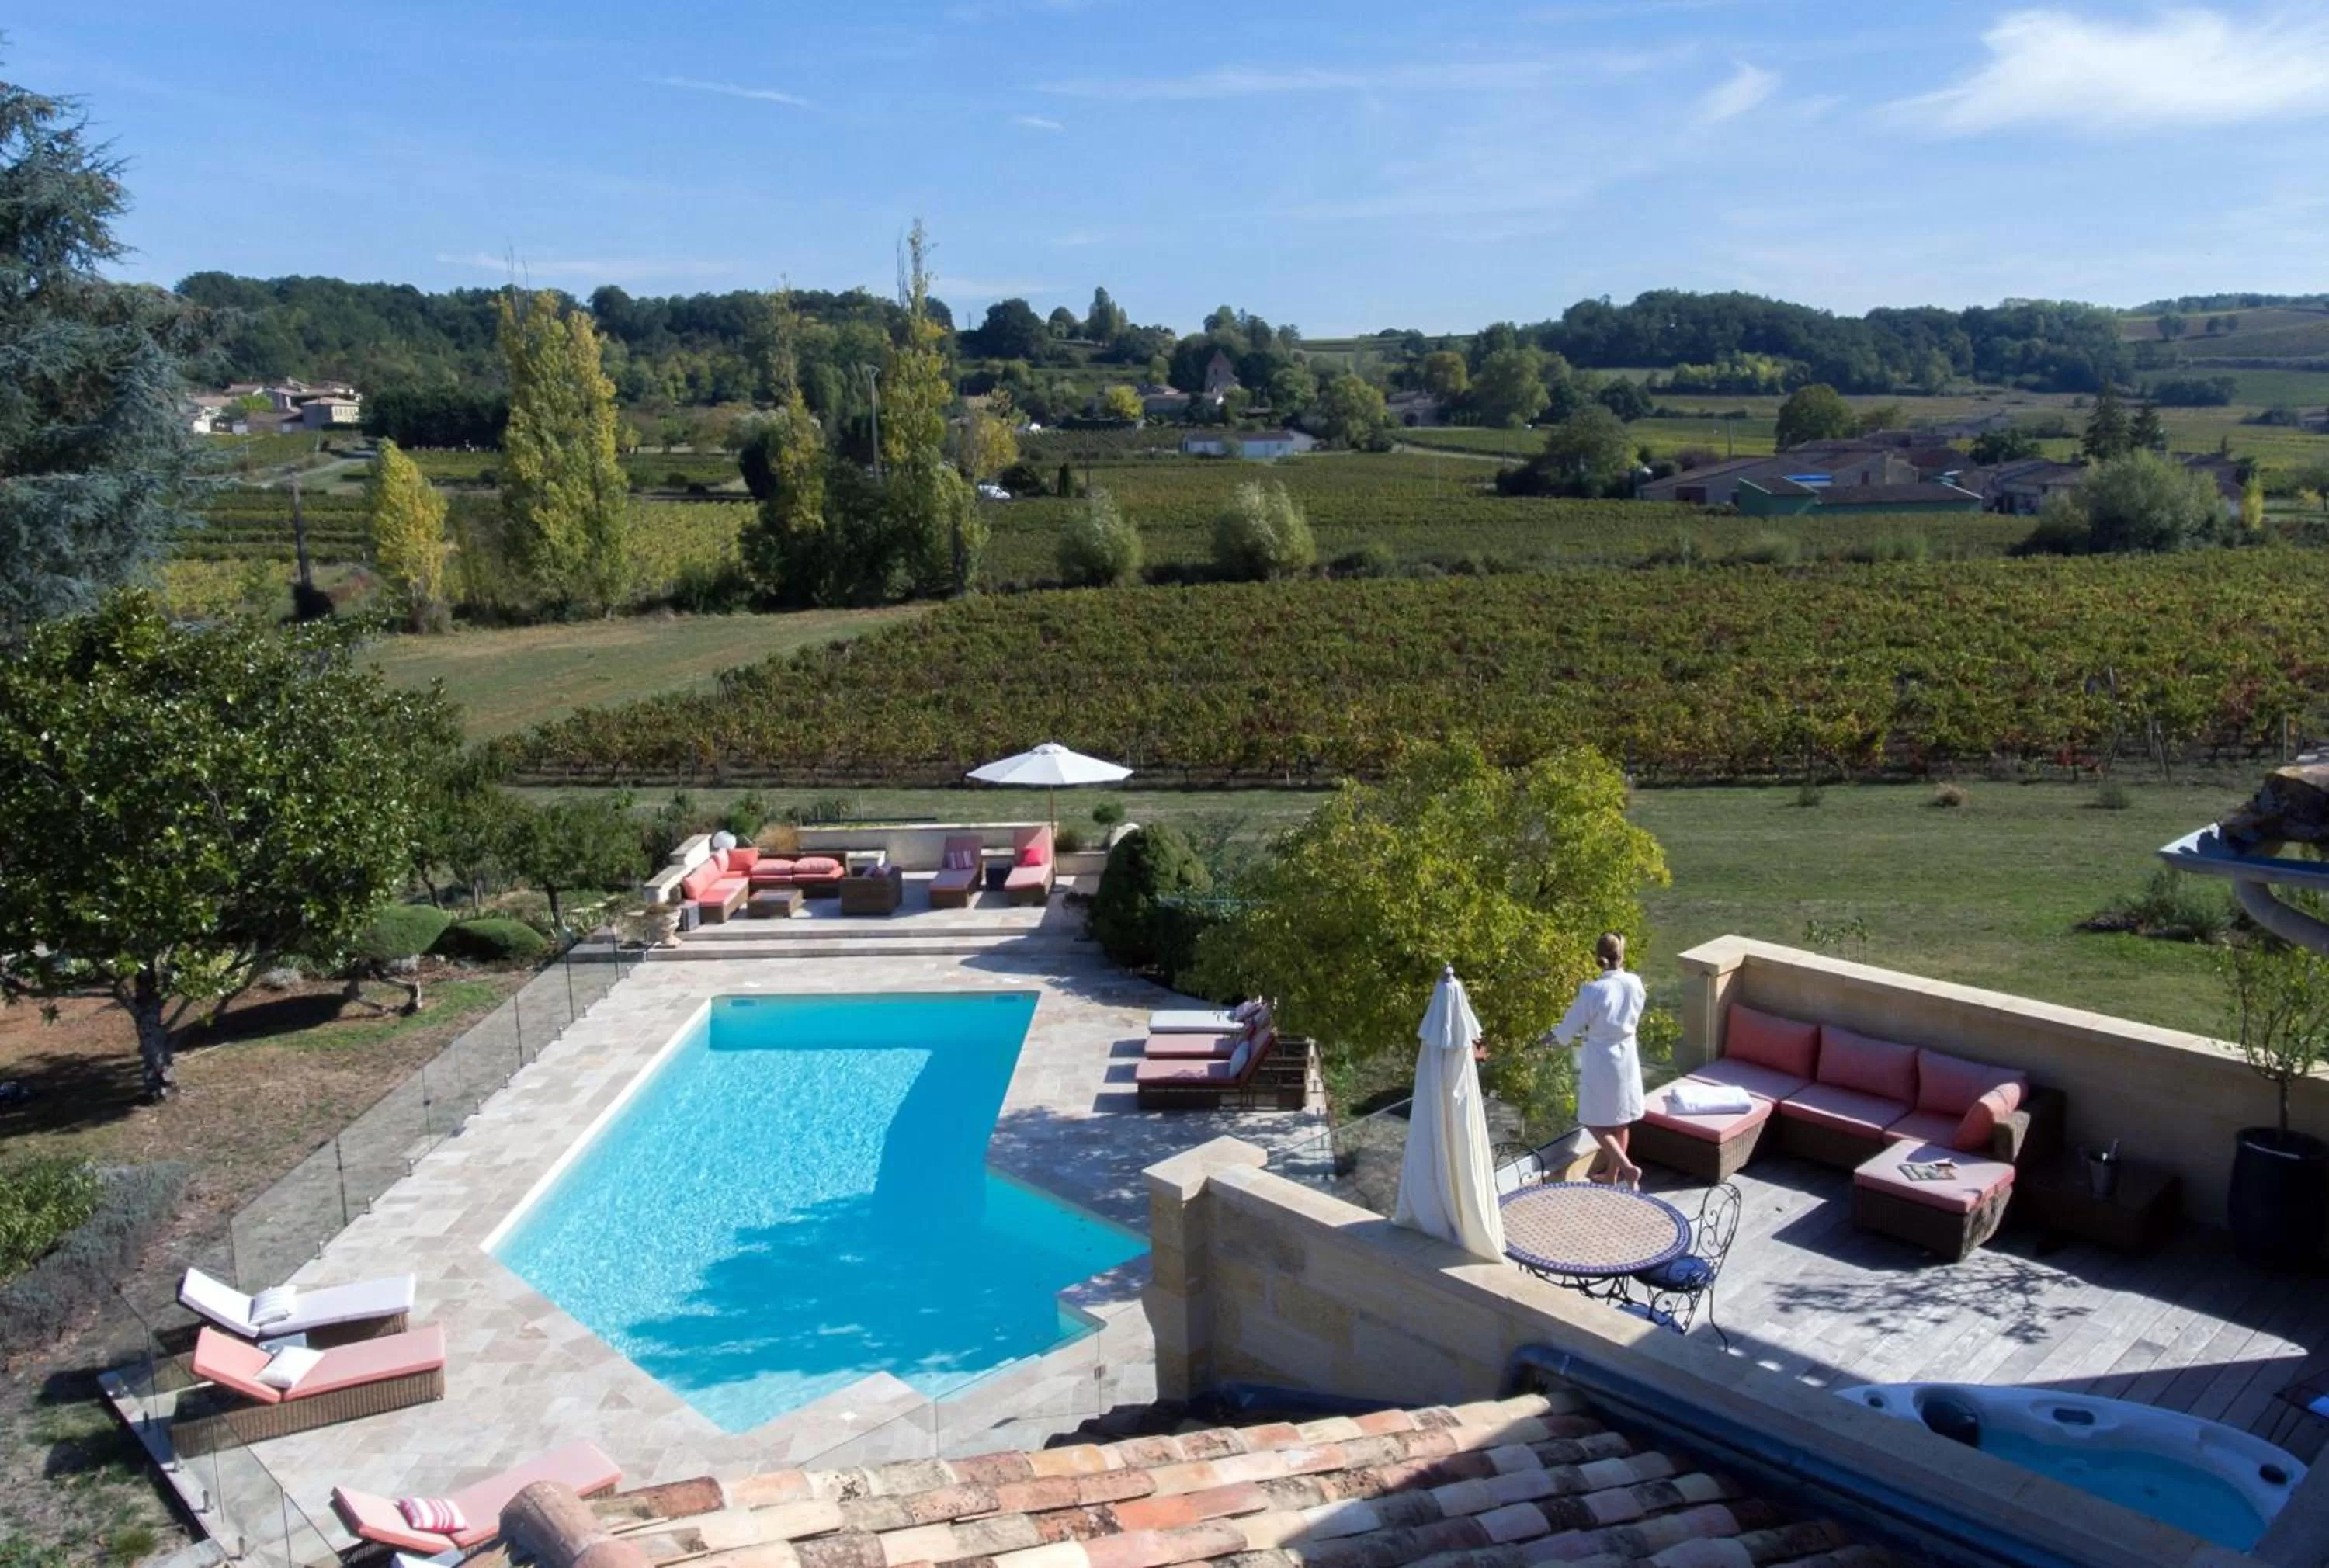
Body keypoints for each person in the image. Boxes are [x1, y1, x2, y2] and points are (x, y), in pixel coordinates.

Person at [1549, 932, 1647, 1188]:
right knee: (1621, 1120)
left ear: (1598, 957)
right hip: (1627, 1056)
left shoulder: (1594, 991)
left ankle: (1626, 1169)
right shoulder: (1635, 983)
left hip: (1602, 1060)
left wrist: (1550, 1038)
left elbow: (1567, 1029)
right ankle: (1612, 1176)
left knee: (1593, 1121)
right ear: (1622, 954)